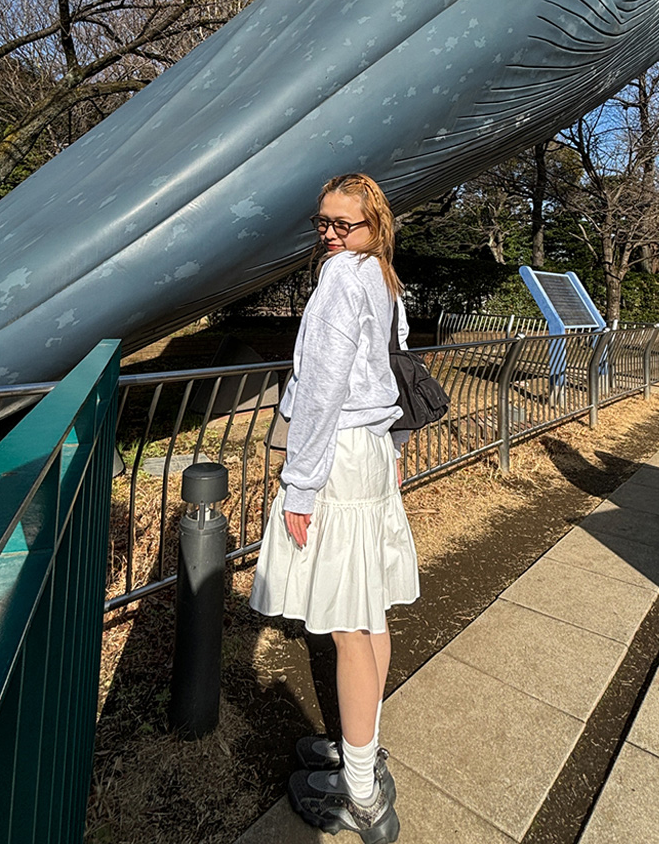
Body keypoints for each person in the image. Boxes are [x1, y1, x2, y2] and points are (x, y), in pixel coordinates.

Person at [250, 173, 416, 844]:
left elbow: (321, 388)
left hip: (340, 456)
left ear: (375, 225)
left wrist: (300, 483)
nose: (329, 234)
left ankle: (362, 797)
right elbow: (393, 369)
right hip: (370, 450)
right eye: (322, 222)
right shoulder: (382, 276)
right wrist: (394, 446)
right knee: (370, 613)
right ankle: (361, 748)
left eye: (343, 224)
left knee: (349, 625)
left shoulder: (342, 278)